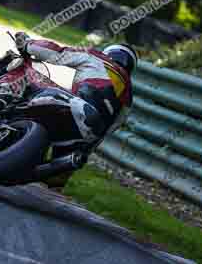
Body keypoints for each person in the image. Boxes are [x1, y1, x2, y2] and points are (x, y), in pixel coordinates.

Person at [13, 32, 136, 188]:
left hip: (76, 107)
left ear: (110, 53)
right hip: (87, 133)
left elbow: (58, 53)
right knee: (54, 177)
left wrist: (28, 45)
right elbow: (107, 131)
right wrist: (81, 154)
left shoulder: (97, 57)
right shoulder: (129, 99)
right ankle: (52, 170)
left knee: (31, 92)